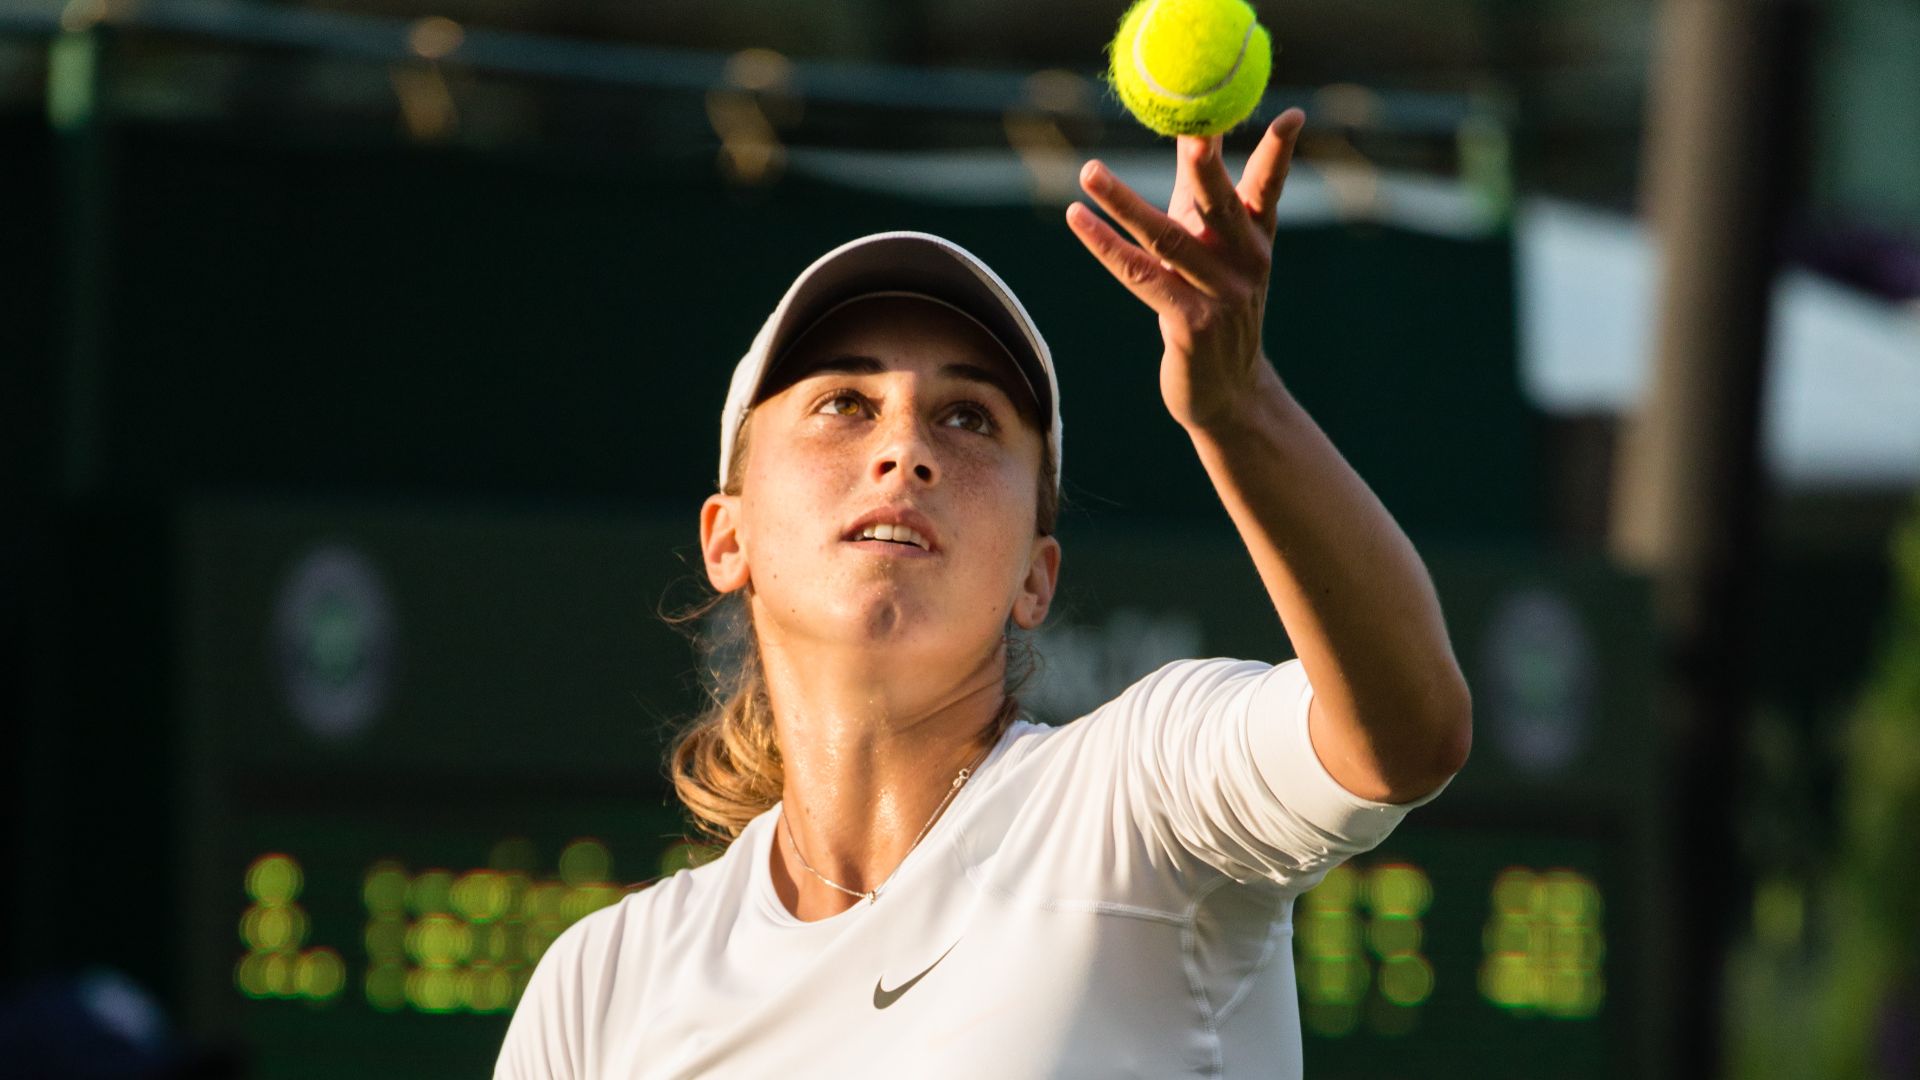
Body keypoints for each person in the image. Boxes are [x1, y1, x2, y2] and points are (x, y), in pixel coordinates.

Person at [493, 108, 1471, 1078]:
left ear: (1036, 577)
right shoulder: (604, 985)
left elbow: (1406, 734)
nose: (905, 450)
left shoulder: (1137, 802)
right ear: (728, 536)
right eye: (844, 403)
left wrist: (1238, 405)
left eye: (967, 417)